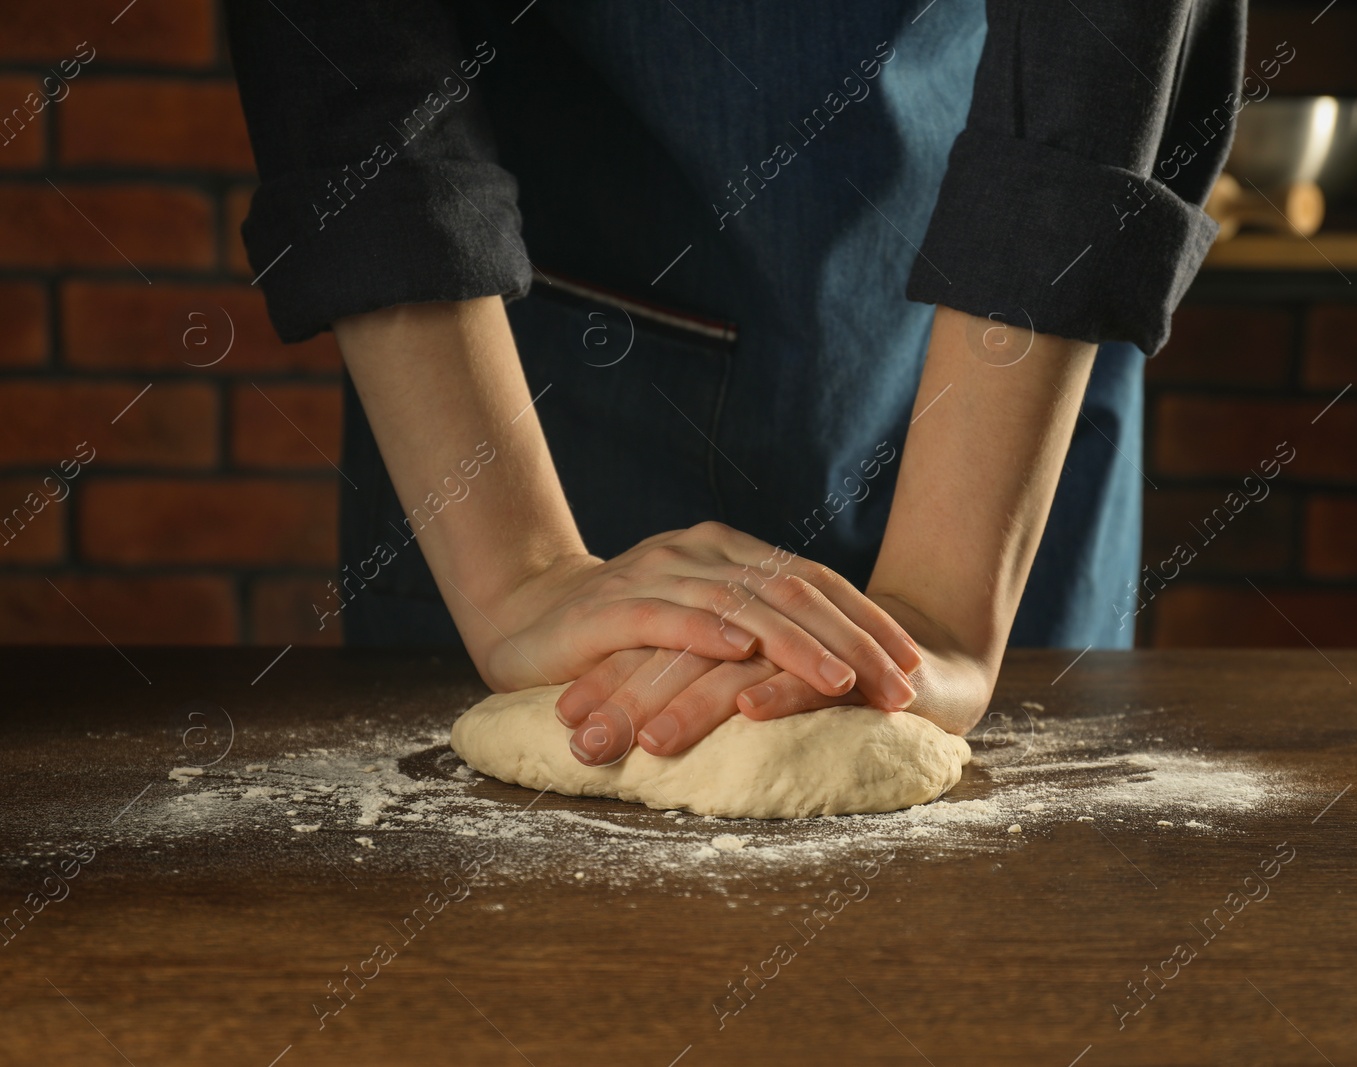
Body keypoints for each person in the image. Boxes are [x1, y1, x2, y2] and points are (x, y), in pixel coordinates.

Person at [224, 0, 1243, 766]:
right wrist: (517, 572)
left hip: (1014, 345)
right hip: (522, 373)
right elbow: (344, 50)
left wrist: (941, 605)